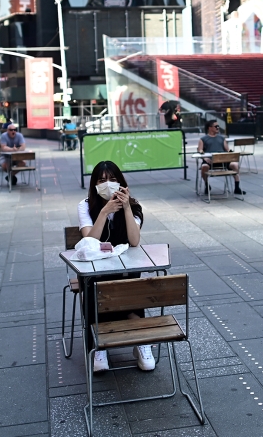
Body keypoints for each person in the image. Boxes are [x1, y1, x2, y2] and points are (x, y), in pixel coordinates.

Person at [78, 160, 154, 373]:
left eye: (112, 179)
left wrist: (126, 207)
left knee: (130, 283)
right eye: (101, 180)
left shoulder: (134, 206)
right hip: (94, 271)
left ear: (121, 183)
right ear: (94, 184)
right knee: (95, 286)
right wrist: (104, 212)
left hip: (125, 269)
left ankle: (140, 341)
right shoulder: (85, 206)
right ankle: (99, 344)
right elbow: (89, 240)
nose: (107, 184)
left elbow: (134, 241)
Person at [197, 120, 245, 195]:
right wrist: (204, 158)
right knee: (204, 167)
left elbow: (227, 149)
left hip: (223, 160)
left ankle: (237, 187)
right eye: (216, 126)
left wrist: (230, 153)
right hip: (210, 160)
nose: (218, 128)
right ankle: (207, 185)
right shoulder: (203, 139)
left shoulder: (222, 138)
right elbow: (200, 150)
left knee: (235, 165)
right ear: (210, 128)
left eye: (218, 126)